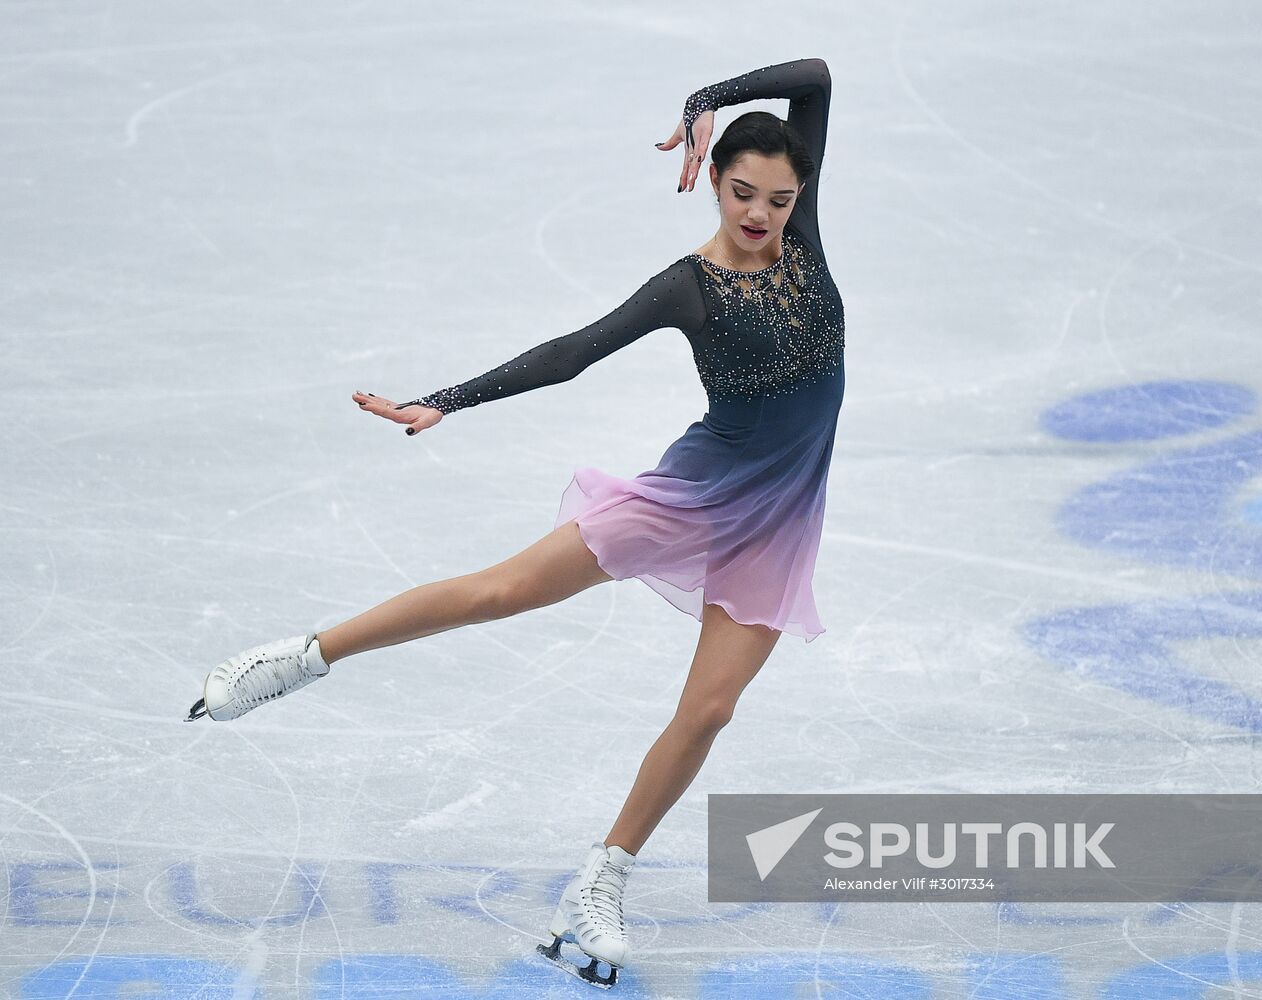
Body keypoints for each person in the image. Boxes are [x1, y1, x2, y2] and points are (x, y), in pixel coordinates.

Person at [183, 57, 841, 990]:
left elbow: (813, 77)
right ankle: (300, 658)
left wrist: (708, 100)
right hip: (696, 493)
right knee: (503, 590)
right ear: (716, 184)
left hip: (780, 520)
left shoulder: (802, 242)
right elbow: (573, 354)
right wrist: (447, 400)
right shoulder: (690, 285)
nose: (760, 214)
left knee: (711, 709)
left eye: (779, 198)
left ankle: (599, 884)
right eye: (743, 193)